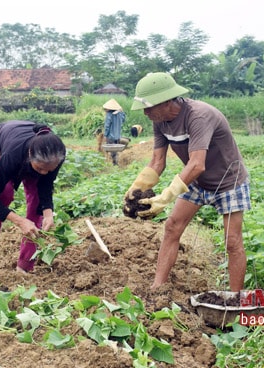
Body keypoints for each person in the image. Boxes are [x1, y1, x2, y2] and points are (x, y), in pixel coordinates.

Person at [125, 72, 250, 292]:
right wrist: (137, 189)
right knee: (172, 227)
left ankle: (235, 300)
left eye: (149, 107)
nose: (145, 113)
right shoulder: (160, 121)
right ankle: (158, 288)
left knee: (232, 242)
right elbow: (157, 161)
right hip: (197, 182)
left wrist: (165, 197)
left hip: (228, 182)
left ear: (167, 101)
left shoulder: (198, 116)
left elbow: (197, 164)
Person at [0, 120, 66, 273]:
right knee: (5, 192)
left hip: (30, 153)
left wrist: (48, 213)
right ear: (30, 155)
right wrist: (19, 221)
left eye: (49, 170)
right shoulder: (12, 155)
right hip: (0, 143)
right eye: (39, 168)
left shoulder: (55, 156)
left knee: (36, 205)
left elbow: (46, 184)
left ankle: (24, 266)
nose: (43, 173)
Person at [102, 98, 126, 165]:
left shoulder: (109, 114)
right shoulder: (120, 114)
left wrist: (105, 135)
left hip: (110, 136)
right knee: (115, 149)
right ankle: (116, 162)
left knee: (111, 149)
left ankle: (114, 163)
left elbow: (107, 126)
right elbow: (123, 120)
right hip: (117, 135)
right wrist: (122, 111)